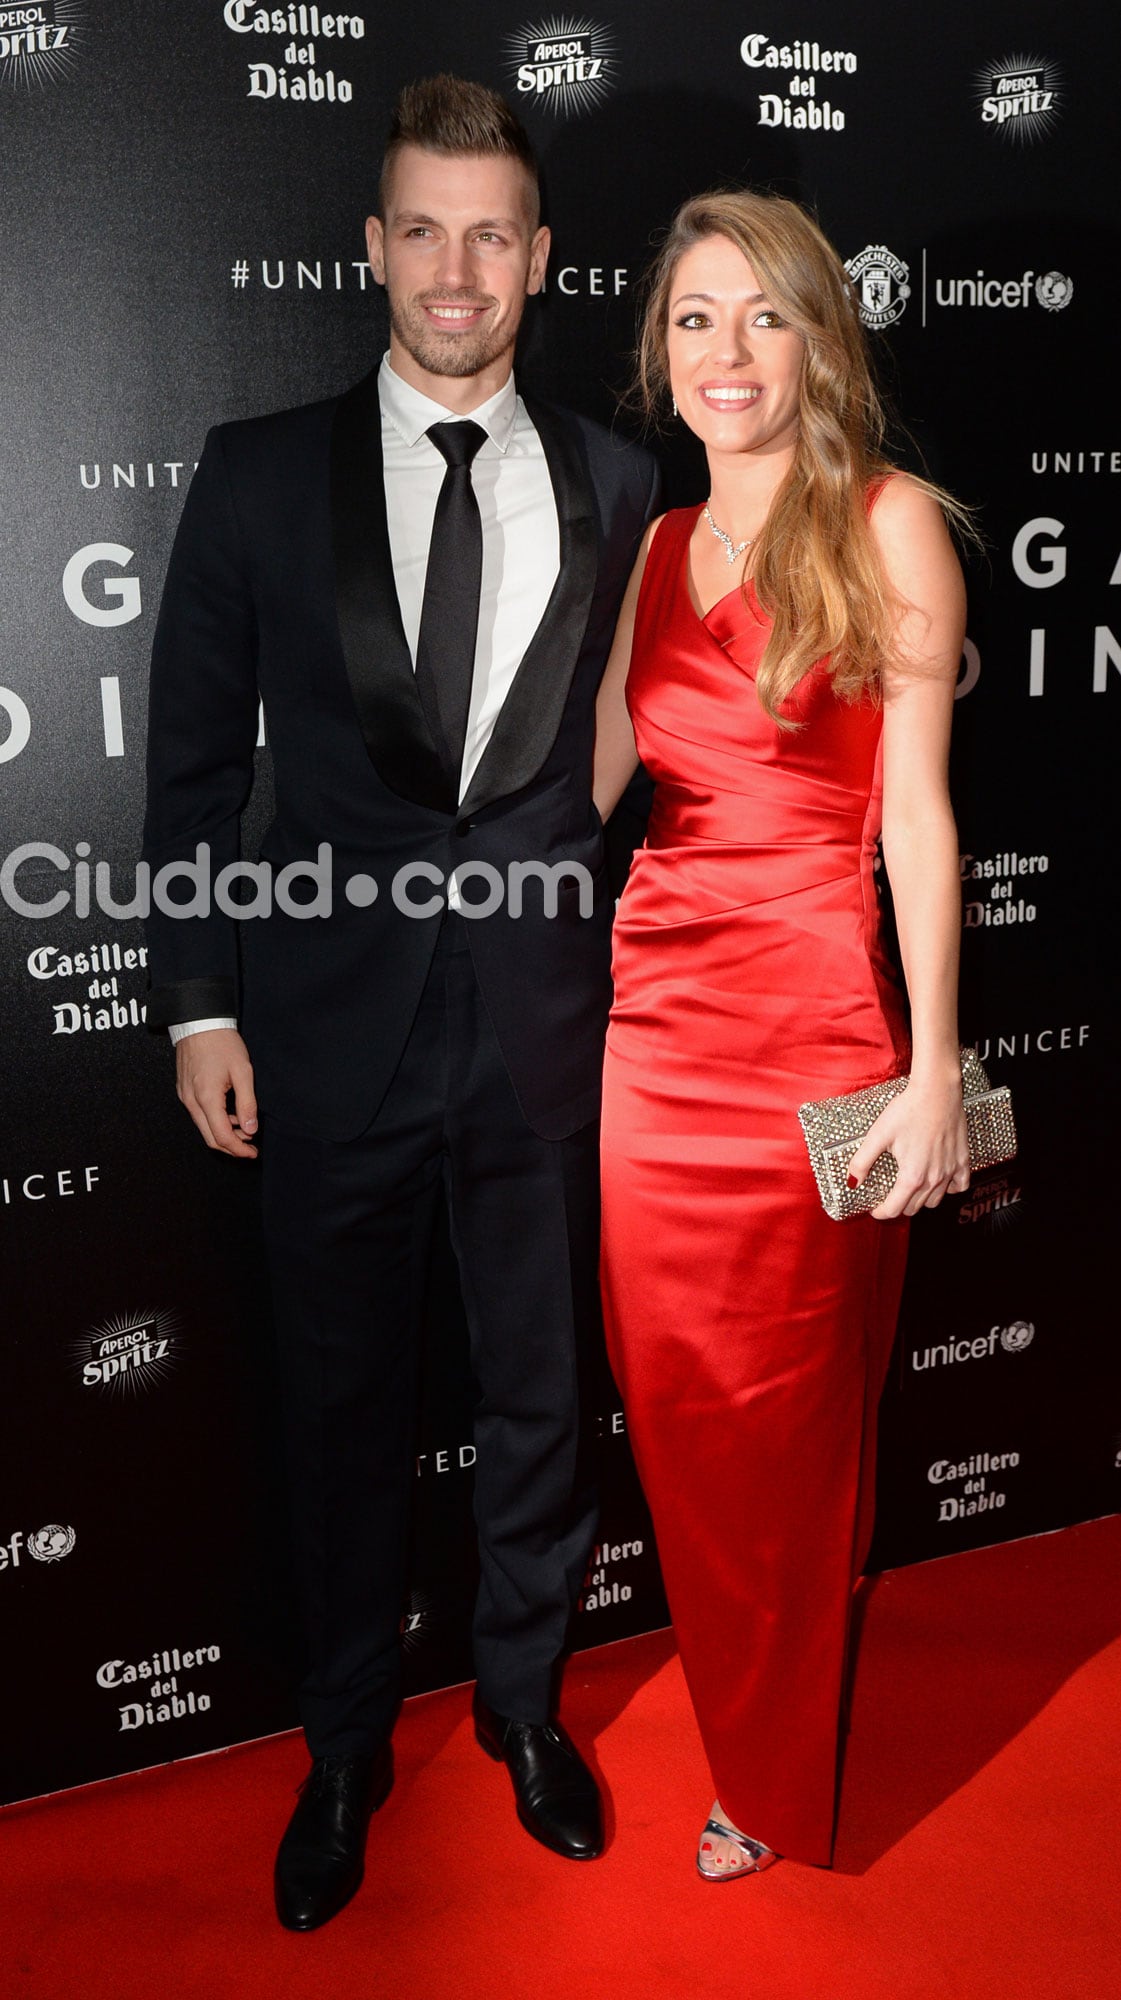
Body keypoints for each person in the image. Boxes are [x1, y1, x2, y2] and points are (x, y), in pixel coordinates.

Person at [142, 75, 659, 1930]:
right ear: (372, 248)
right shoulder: (259, 468)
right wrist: (201, 1003)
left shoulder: (618, 479)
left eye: (491, 233)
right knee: (342, 1407)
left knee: (539, 1398)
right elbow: (191, 772)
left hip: (538, 1025)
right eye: (422, 230)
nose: (457, 269)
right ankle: (346, 1741)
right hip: (321, 1034)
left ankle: (522, 1710)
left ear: (539, 257)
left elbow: (616, 744)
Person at [593, 190, 970, 1880]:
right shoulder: (658, 549)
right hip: (650, 1043)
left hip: (814, 1033)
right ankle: (748, 1723)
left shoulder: (888, 522)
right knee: (678, 1411)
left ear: (821, 337)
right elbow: (576, 798)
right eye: (693, 320)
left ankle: (769, 1775)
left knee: (794, 1418)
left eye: (763, 316)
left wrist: (932, 1072)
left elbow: (918, 824)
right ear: (657, 358)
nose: (726, 353)